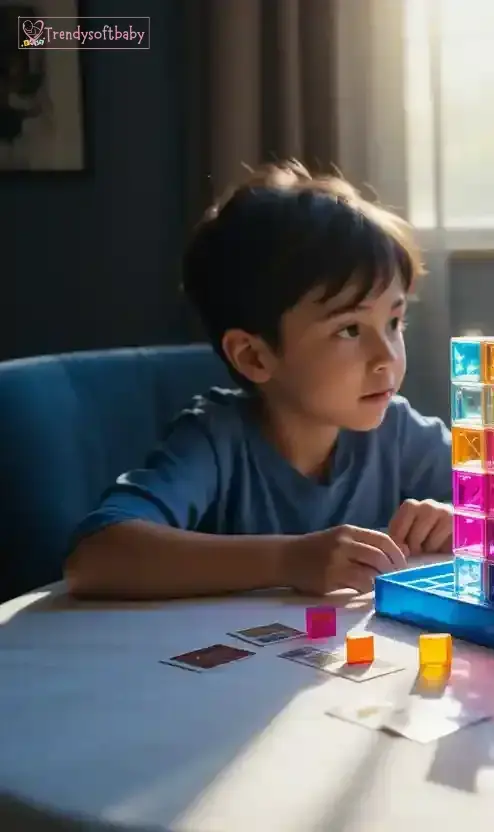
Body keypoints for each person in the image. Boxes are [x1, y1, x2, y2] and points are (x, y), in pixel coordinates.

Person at [64, 162, 454, 600]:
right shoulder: (216, 441)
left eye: (395, 321)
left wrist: (458, 518)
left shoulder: (398, 431)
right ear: (254, 356)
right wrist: (289, 560)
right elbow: (94, 558)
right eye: (349, 329)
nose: (387, 356)